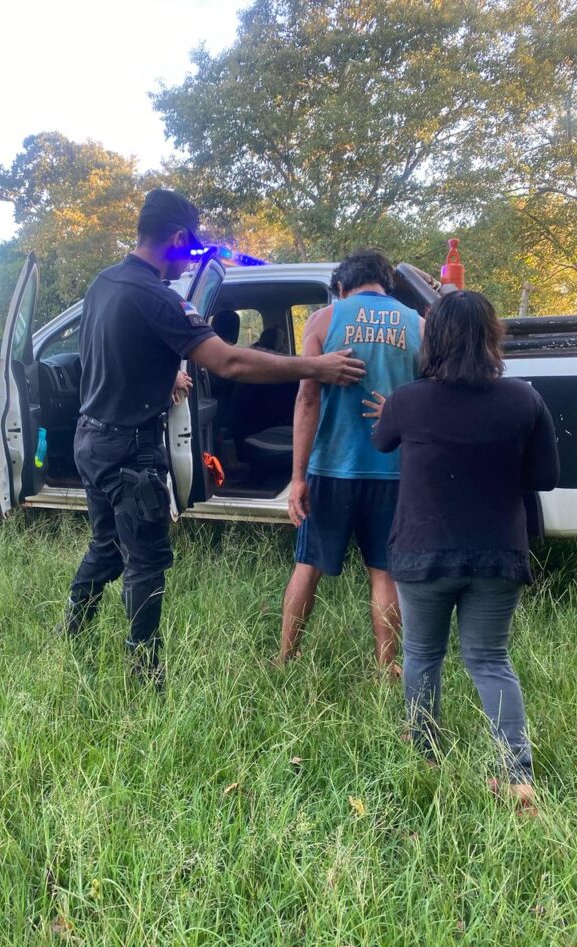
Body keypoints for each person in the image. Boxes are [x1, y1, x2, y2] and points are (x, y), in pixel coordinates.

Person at [61, 189, 367, 688]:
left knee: (106, 545)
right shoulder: (157, 298)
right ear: (178, 238)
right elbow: (230, 361)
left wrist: (165, 379)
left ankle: (71, 631)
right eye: (191, 246)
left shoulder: (103, 285)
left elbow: (114, 355)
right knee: (147, 561)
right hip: (129, 449)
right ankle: (144, 676)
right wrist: (317, 366)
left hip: (90, 438)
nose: (189, 259)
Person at [370, 290, 560, 811]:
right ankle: (516, 775)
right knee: (490, 660)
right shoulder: (523, 398)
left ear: (434, 338)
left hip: (421, 554)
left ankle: (426, 755)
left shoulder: (409, 400)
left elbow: (382, 441)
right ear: (491, 337)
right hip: (498, 554)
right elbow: (546, 477)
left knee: (422, 657)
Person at [278, 248, 423, 671]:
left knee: (308, 566)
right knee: (384, 573)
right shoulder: (419, 324)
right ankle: (387, 668)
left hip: (332, 467)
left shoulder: (325, 320)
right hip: (393, 469)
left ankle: (286, 659)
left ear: (341, 287)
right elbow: (434, 396)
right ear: (386, 284)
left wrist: (298, 477)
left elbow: (307, 398)